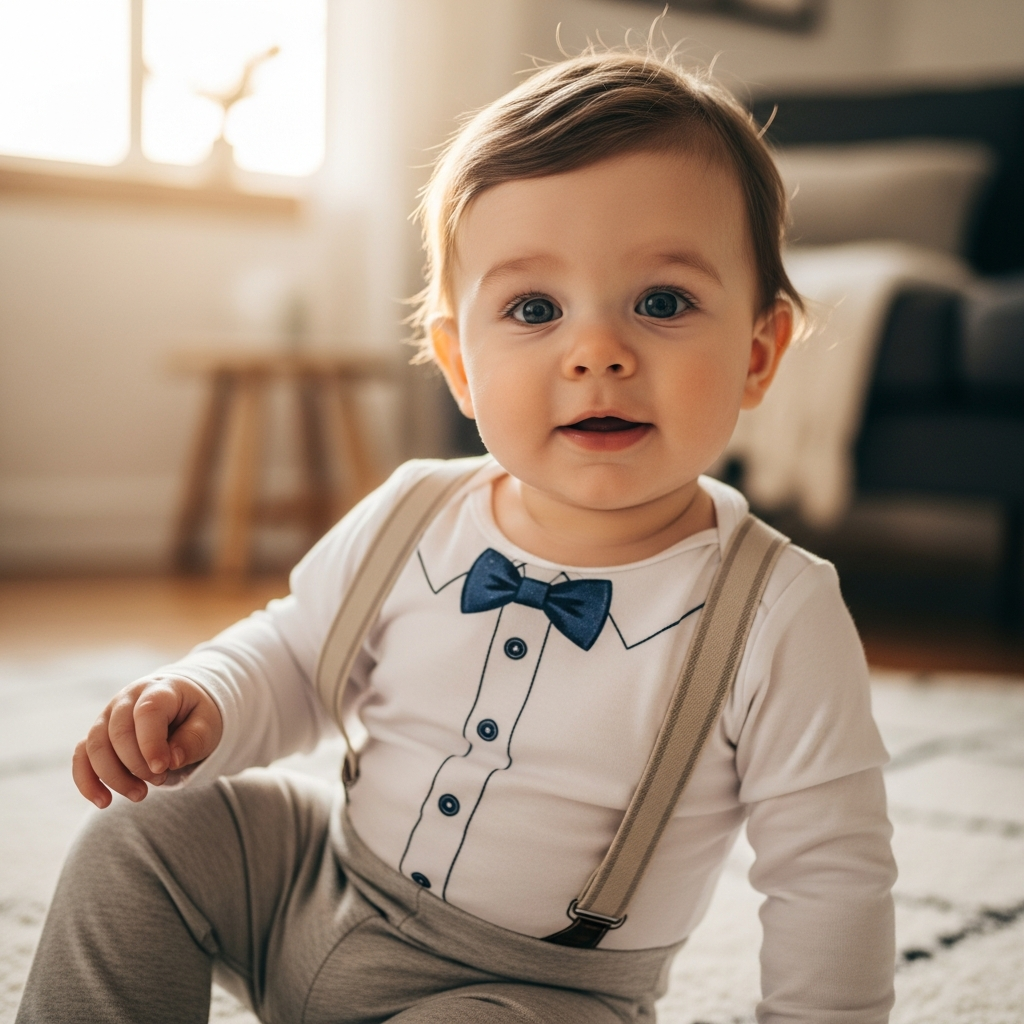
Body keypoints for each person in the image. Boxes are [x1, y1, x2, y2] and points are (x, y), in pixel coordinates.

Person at [18, 49, 896, 1024]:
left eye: (661, 302)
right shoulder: (415, 508)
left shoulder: (777, 612)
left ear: (758, 354)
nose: (596, 351)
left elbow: (829, 873)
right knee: (147, 832)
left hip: (532, 991)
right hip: (318, 884)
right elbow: (300, 651)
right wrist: (209, 698)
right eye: (533, 308)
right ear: (459, 364)